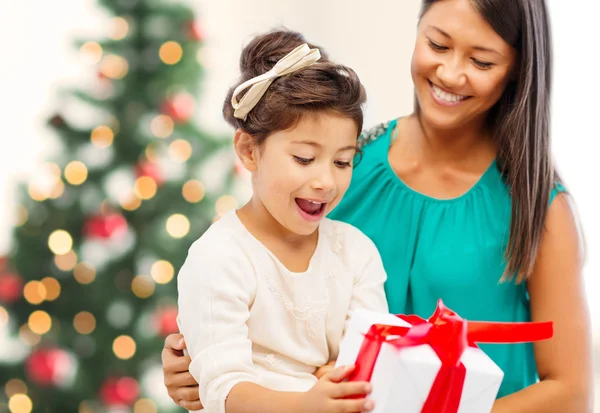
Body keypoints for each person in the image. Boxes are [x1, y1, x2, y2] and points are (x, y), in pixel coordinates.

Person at [164, 0, 593, 411]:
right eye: (438, 45)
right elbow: (259, 278)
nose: (450, 72)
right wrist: (196, 361)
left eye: (481, 62)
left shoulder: (539, 209)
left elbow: (570, 395)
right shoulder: (345, 164)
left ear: (517, 69)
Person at [176, 28, 391, 413]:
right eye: (305, 158)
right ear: (249, 150)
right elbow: (223, 390)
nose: (326, 181)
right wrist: (308, 403)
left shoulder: (355, 252)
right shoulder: (219, 257)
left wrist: (344, 376)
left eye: (343, 161)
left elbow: (371, 363)